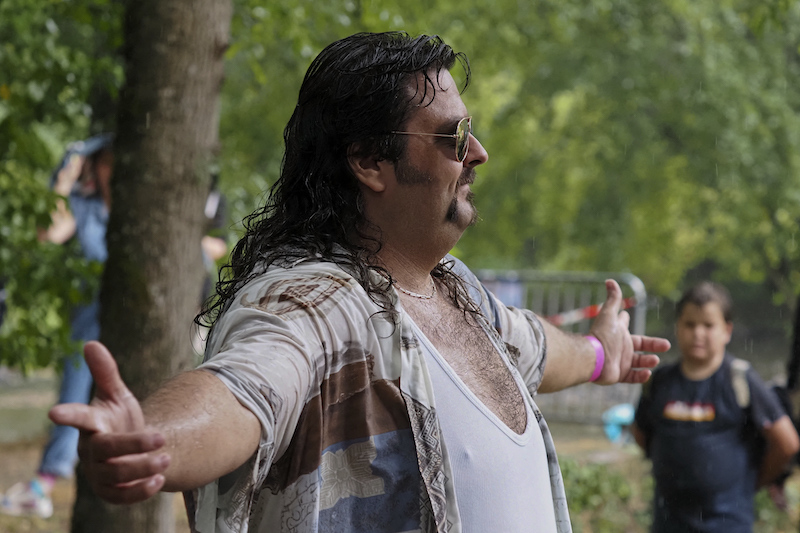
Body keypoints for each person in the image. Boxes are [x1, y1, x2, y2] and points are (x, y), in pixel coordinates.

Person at [51, 32, 670, 533]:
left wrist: (598, 354)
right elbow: (246, 389)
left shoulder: (454, 287)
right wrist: (153, 440)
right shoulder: (313, 302)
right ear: (370, 162)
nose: (477, 152)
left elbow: (532, 346)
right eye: (453, 135)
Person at [0, 134, 114, 519]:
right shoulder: (83, 210)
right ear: (94, 169)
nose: (112, 171)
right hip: (86, 331)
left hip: (131, 335)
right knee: (72, 401)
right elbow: (49, 233)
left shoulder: (144, 216)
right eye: (104, 163)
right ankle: (44, 484)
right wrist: (63, 184)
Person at [632, 281, 800, 533]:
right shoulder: (659, 381)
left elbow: (786, 443)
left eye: (708, 325)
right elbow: (640, 432)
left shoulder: (741, 380)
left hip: (728, 523)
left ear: (727, 330)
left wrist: (750, 483)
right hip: (668, 523)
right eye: (690, 324)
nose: (698, 333)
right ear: (677, 327)